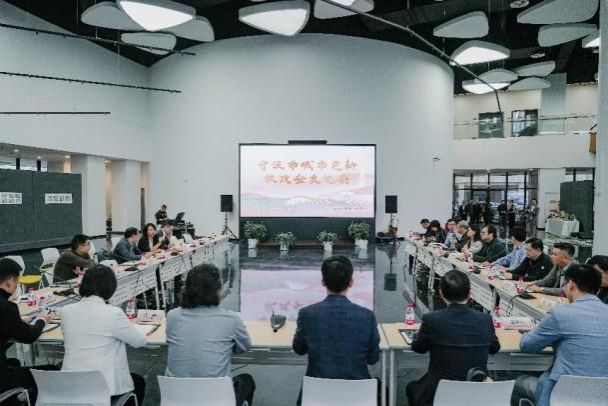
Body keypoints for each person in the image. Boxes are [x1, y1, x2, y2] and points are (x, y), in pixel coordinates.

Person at [516, 264, 608, 406]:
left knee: (515, 381)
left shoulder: (560, 313)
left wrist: (534, 330)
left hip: (560, 393)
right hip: (601, 396)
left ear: (571, 284)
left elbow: (527, 346)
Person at [406, 270, 500, 406]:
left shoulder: (432, 320)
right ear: (469, 294)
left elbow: (418, 348)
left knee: (412, 388)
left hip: (439, 393)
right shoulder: (485, 319)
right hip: (475, 393)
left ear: (441, 293)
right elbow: (494, 348)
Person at [166, 264, 255, 405]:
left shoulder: (172, 316)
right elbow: (244, 347)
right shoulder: (231, 319)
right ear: (218, 290)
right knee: (247, 381)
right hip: (217, 399)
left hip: (177, 399)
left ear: (186, 289)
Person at [293, 255, 380, 398]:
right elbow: (373, 359)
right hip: (358, 397)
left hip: (316, 396)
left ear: (323, 281)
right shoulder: (367, 316)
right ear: (351, 282)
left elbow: (299, 349)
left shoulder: (307, 314)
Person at [61, 265, 147, 405]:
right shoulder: (113, 313)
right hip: (102, 387)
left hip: (71, 385)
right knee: (138, 382)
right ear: (110, 287)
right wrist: (134, 326)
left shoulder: (66, 311)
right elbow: (139, 341)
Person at [0, 258, 56, 404]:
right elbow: (30, 336)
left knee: (14, 362)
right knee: (51, 370)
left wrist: (18, 324)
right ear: (9, 282)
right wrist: (42, 320)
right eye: (17, 283)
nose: (16, 287)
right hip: (1, 378)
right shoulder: (7, 307)